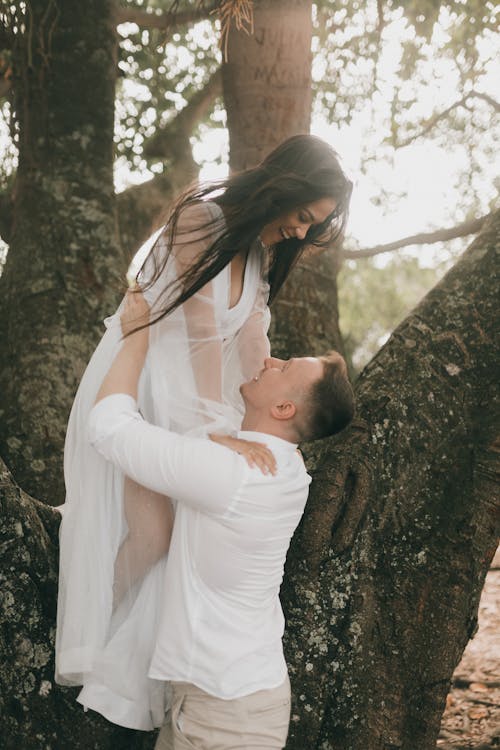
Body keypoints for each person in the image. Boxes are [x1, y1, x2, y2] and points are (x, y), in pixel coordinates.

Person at [55, 134, 353, 730]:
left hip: (198, 395)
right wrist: (221, 431)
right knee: (155, 534)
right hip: (144, 382)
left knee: (176, 542)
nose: (301, 231)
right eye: (303, 215)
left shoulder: (260, 255)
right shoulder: (201, 220)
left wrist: (252, 428)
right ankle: (84, 620)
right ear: (285, 184)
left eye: (313, 225)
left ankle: (142, 665)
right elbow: (194, 332)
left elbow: (250, 343)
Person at [89, 291, 355, 749]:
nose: (271, 360)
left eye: (285, 368)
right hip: (228, 696)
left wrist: (135, 338)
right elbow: (217, 453)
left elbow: (110, 428)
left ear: (284, 409)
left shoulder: (236, 473)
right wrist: (223, 436)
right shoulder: (285, 466)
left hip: (229, 716)